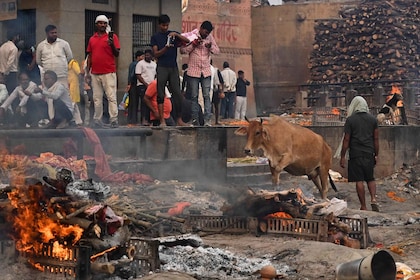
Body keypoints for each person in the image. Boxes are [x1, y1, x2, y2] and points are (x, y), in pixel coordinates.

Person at [339, 96, 379, 212]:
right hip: (369, 153)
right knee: (370, 178)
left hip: (355, 154)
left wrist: (342, 156)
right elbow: (376, 139)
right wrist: (376, 154)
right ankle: (373, 199)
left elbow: (346, 139)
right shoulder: (373, 120)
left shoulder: (350, 120)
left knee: (359, 180)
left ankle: (363, 206)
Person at [150, 14, 190, 126]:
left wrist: (176, 34)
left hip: (173, 67)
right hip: (162, 66)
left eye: (167, 25)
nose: (165, 28)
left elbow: (187, 41)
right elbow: (156, 54)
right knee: (161, 93)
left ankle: (179, 119)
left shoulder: (172, 34)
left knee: (177, 93)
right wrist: (166, 48)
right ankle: (162, 120)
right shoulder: (155, 37)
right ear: (159, 25)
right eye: (163, 25)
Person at [180, 20, 219, 126]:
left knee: (207, 96)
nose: (206, 35)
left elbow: (217, 51)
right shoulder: (192, 35)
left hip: (205, 71)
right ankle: (195, 120)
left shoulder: (210, 38)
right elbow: (183, 50)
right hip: (193, 71)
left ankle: (207, 120)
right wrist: (193, 45)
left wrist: (210, 46)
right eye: (205, 32)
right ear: (201, 28)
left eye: (208, 33)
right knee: (194, 96)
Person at [86, 15, 121, 128]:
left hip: (108, 71)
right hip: (95, 72)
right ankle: (97, 119)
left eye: (104, 23)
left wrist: (111, 45)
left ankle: (113, 119)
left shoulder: (113, 37)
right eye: (100, 23)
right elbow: (90, 56)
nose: (102, 25)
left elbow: (117, 53)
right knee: (97, 98)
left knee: (111, 97)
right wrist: (87, 72)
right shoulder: (92, 39)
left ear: (107, 25)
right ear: (96, 24)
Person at [135, 49, 156, 126]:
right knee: (144, 103)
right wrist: (145, 84)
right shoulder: (140, 64)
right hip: (142, 85)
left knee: (151, 103)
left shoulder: (154, 64)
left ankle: (150, 120)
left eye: (149, 55)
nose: (147, 56)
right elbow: (138, 75)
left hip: (152, 86)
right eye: (146, 55)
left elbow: (155, 75)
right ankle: (143, 119)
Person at [126, 50, 143, 125]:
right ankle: (133, 120)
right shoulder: (136, 64)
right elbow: (132, 75)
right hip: (134, 84)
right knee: (134, 103)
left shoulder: (132, 64)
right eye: (142, 56)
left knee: (133, 103)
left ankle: (132, 120)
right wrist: (130, 83)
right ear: (138, 57)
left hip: (133, 84)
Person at [68, 59, 83, 126]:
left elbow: (79, 73)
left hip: (74, 85)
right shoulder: (65, 64)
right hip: (69, 85)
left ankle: (71, 119)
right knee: (74, 105)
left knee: (72, 103)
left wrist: (80, 84)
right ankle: (78, 121)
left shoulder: (73, 63)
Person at [210, 60, 223, 125]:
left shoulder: (215, 70)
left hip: (214, 90)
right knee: (213, 106)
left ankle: (216, 121)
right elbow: (222, 82)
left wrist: (221, 91)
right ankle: (211, 120)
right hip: (209, 89)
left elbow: (221, 81)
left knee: (216, 106)